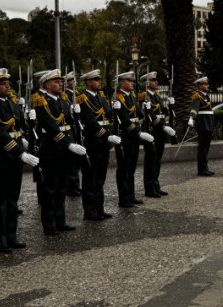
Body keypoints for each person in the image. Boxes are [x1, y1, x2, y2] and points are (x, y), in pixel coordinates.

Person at [0, 68, 41, 253]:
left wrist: (29, 122)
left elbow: (17, 129)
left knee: (13, 200)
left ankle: (11, 236)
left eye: (8, 83)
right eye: (3, 84)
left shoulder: (13, 104)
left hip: (13, 160)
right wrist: (20, 153)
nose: (8, 86)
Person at [32, 69, 86, 236]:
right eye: (56, 82)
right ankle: (49, 224)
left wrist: (74, 113)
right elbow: (51, 126)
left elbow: (67, 124)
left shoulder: (63, 99)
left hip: (65, 149)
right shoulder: (42, 101)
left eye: (61, 81)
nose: (61, 84)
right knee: (51, 188)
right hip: (52, 149)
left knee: (62, 187)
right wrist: (68, 144)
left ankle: (60, 220)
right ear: (47, 85)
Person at [75, 69, 121, 221]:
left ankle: (99, 208)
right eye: (96, 79)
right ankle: (90, 211)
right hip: (93, 143)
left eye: (100, 79)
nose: (100, 82)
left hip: (103, 145)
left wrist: (115, 109)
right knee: (90, 178)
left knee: (100, 178)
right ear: (88, 82)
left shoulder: (101, 97)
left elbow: (106, 117)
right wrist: (107, 137)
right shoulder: (82, 99)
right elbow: (90, 122)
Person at [114, 72, 154, 207]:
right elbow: (124, 119)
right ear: (121, 83)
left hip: (134, 137)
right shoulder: (118, 97)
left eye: (132, 81)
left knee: (131, 169)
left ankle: (130, 196)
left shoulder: (131, 96)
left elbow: (137, 115)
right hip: (126, 137)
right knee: (124, 169)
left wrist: (145, 109)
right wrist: (138, 132)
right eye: (129, 81)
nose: (132, 83)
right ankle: (123, 198)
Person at [138, 72, 175, 198]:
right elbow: (151, 116)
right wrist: (163, 126)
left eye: (156, 80)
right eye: (154, 80)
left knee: (157, 160)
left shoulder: (157, 96)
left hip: (159, 132)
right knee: (151, 161)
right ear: (147, 83)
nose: (156, 82)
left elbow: (161, 112)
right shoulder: (144, 96)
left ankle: (156, 185)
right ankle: (149, 188)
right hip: (152, 130)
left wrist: (170, 106)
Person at [189, 77, 215, 176]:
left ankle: (205, 167)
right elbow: (194, 108)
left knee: (206, 148)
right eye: (205, 84)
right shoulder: (197, 96)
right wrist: (192, 118)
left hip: (208, 124)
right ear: (200, 86)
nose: (208, 86)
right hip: (203, 124)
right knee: (202, 148)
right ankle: (201, 169)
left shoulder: (206, 96)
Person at [63, 71, 82, 197]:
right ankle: (72, 186)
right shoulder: (66, 96)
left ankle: (75, 185)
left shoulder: (76, 95)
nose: (74, 83)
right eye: (72, 81)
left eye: (75, 81)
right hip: (70, 129)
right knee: (72, 161)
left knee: (76, 161)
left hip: (76, 129)